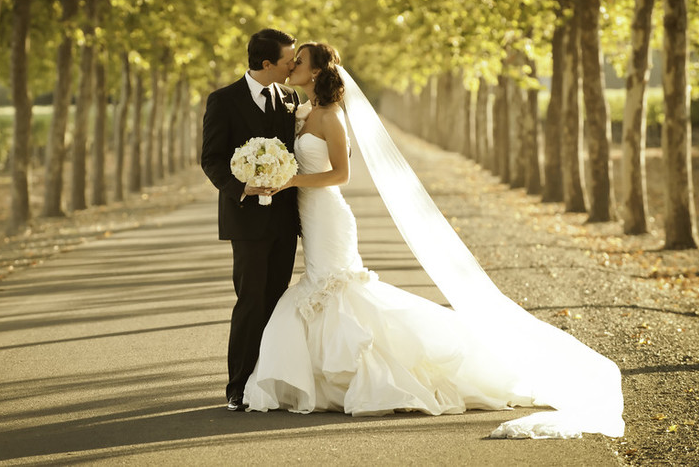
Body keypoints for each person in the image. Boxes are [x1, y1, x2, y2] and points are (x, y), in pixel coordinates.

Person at [242, 42, 626, 439]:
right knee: (324, 291)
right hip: (308, 214)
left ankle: (373, 376)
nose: (292, 67)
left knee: (335, 289)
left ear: (317, 71)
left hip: (328, 215)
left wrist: (291, 180)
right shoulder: (303, 111)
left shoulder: (330, 118)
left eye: (299, 62)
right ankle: (329, 379)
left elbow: (342, 175)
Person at [200, 28, 302, 412]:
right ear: (266, 64)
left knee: (277, 301)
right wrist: (243, 186)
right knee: (250, 300)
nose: (293, 65)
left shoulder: (291, 98)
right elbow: (211, 158)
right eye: (288, 60)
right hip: (245, 220)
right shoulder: (223, 101)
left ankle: (269, 381)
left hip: (284, 221)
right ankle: (238, 386)